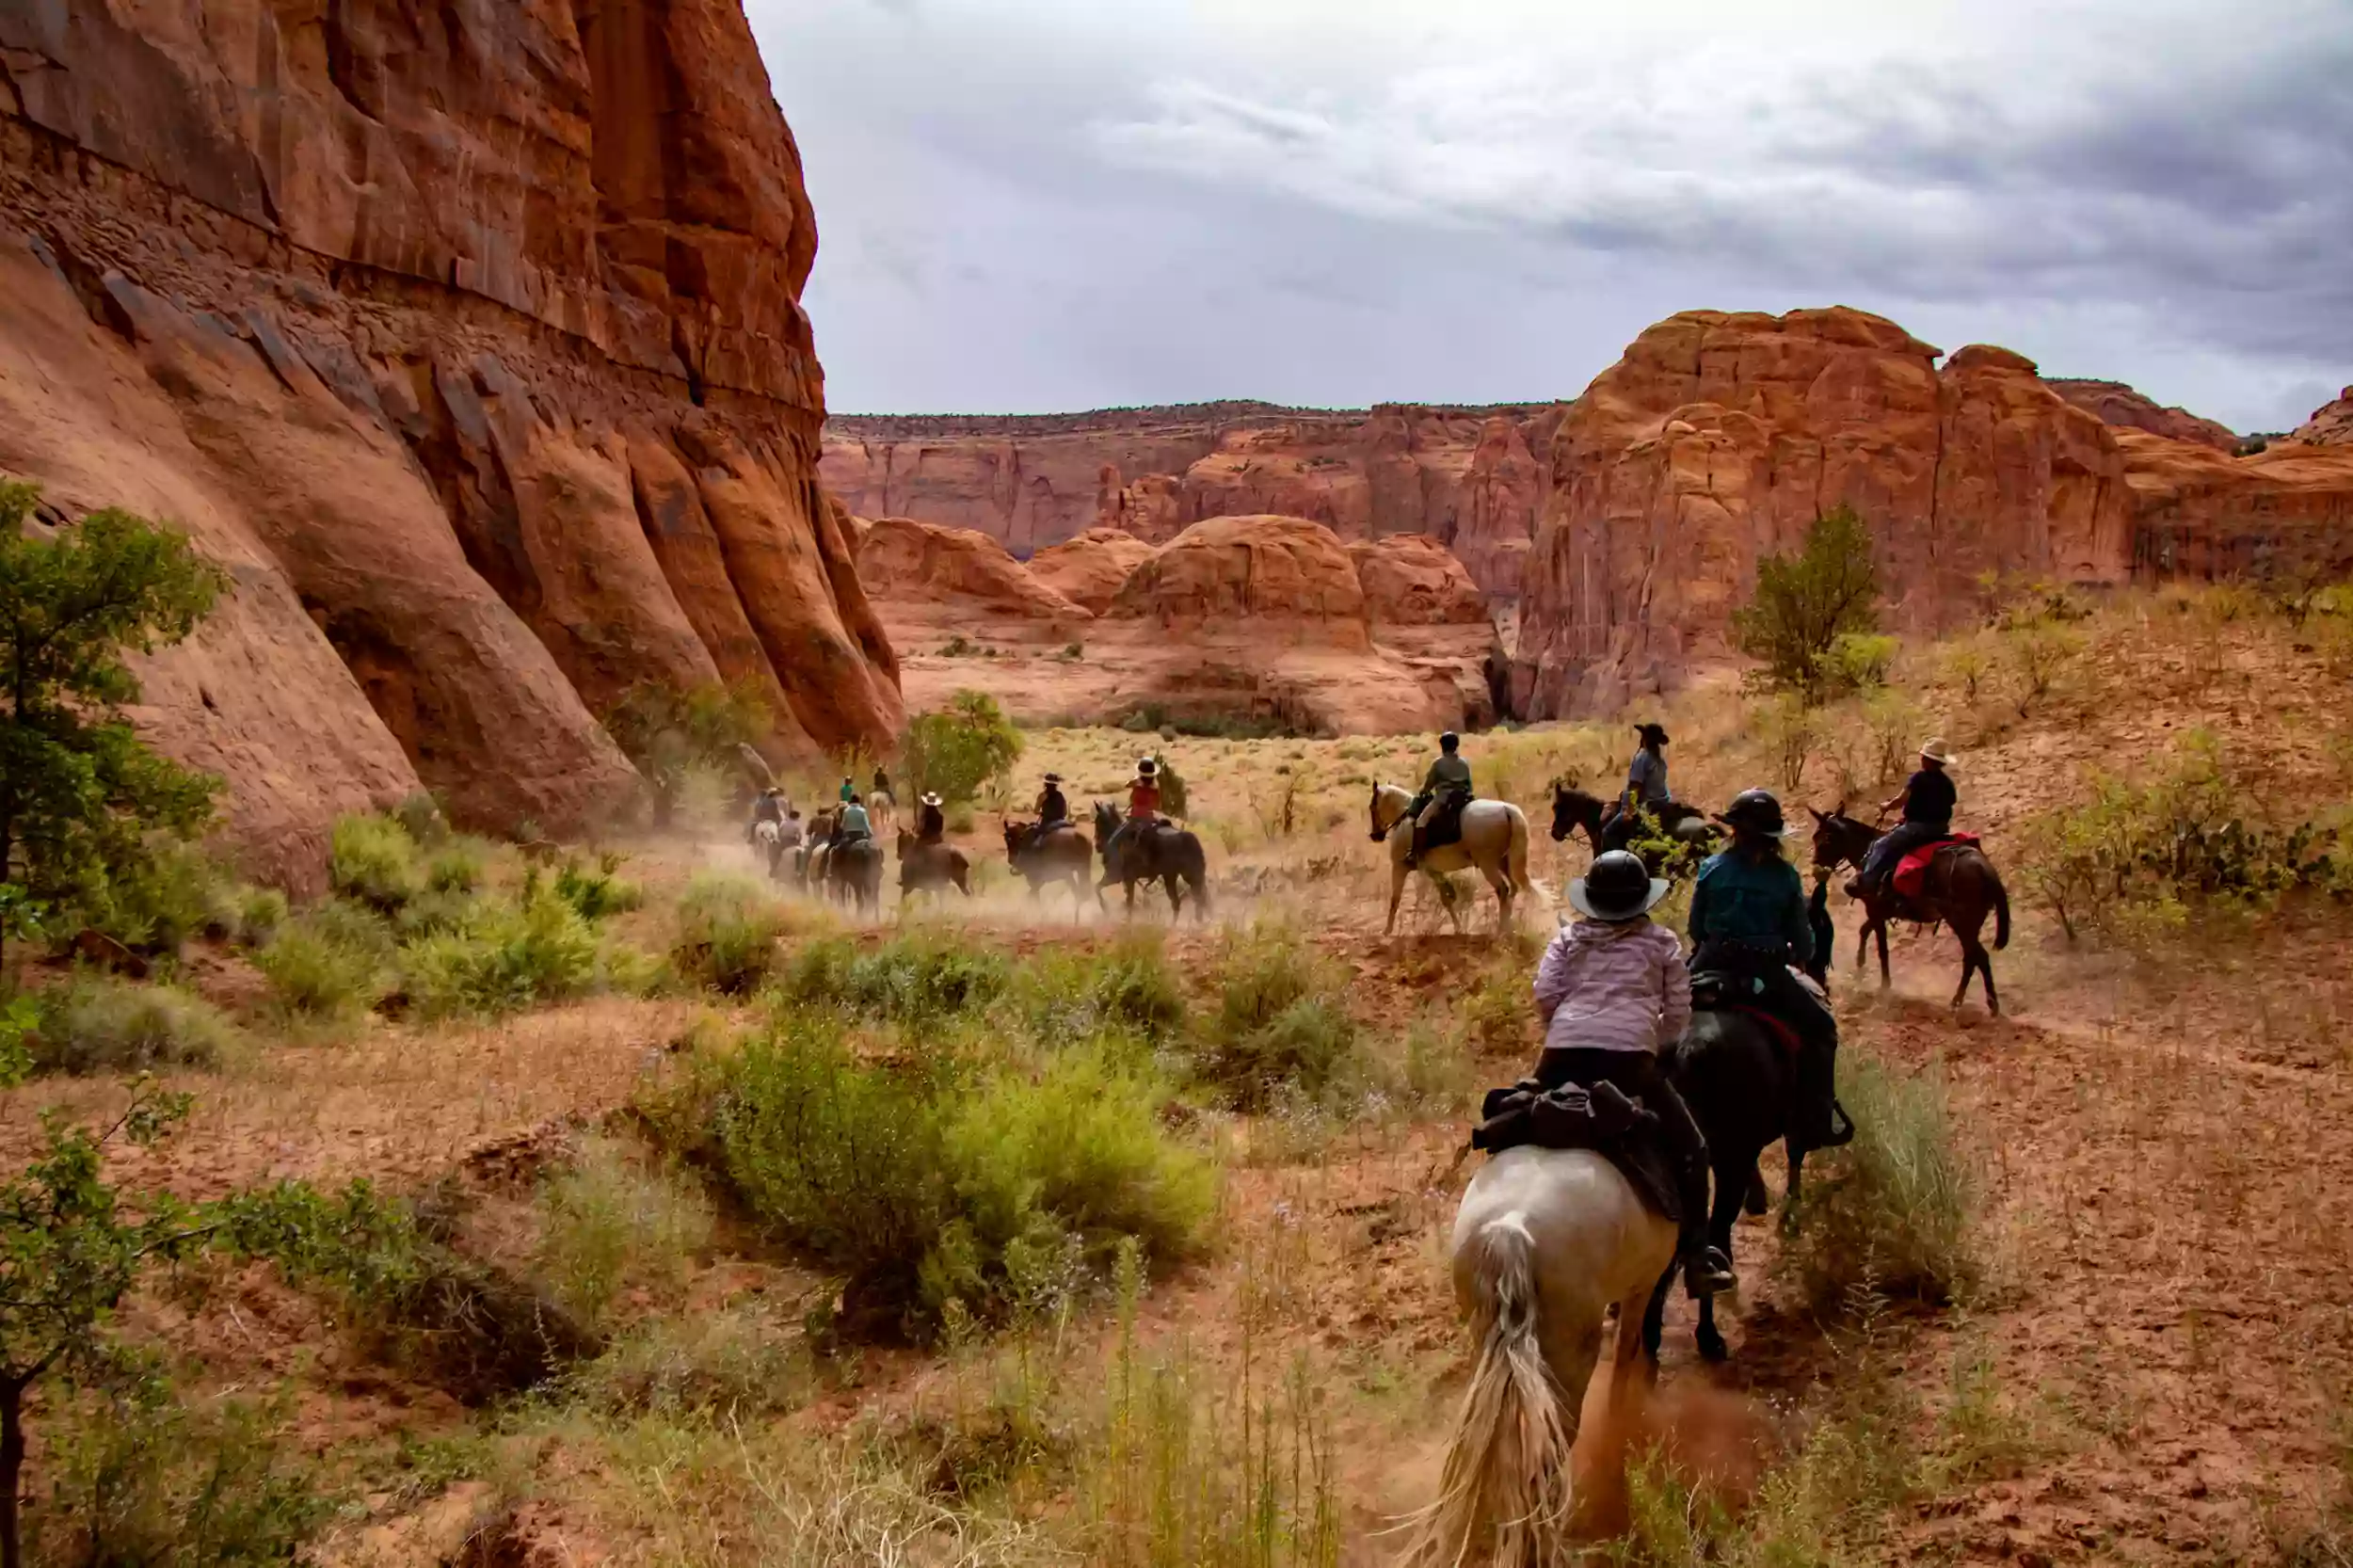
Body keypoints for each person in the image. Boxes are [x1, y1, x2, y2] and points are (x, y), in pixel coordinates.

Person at [1532, 850, 1737, 1298]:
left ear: (1591, 900)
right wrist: (1657, 1042)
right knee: (1694, 1148)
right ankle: (1699, 1258)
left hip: (1561, 1053)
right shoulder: (1661, 942)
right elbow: (1679, 1009)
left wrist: (1565, 1029)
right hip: (1627, 1059)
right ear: (1642, 899)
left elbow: (1545, 991)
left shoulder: (1567, 939)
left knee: (1520, 1117)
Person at [1688, 790, 1847, 1150]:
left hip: (1709, 963)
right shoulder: (1785, 877)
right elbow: (1803, 941)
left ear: (1734, 831)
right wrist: (1801, 954)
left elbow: (1696, 928)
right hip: (1767, 969)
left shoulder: (1710, 869)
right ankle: (1817, 1120)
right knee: (1823, 1030)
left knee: (1655, 1013)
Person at [1852, 739, 1960, 902]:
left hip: (1918, 828)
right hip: (1941, 829)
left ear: (1931, 761)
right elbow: (1951, 801)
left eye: (1925, 757)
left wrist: (1886, 806)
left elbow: (1901, 800)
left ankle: (1866, 883)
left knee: (1881, 845)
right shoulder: (1948, 783)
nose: (1922, 759)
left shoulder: (1918, 778)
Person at [1401, 731, 1474, 870]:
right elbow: (1469, 784)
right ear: (1456, 746)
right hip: (1464, 799)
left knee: (1421, 821)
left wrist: (1424, 792)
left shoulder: (1438, 763)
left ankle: (1416, 855)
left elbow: (1428, 785)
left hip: (1444, 799)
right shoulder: (1464, 763)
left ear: (1442, 746)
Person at [1599, 723, 1672, 854]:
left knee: (1608, 833)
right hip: (1662, 802)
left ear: (1644, 739)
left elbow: (1635, 787)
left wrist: (1629, 811)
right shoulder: (1660, 760)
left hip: (1647, 806)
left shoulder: (1642, 758)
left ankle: (1617, 867)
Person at [1104, 757, 1161, 867]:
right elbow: (1158, 806)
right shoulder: (1156, 789)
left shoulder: (1136, 785)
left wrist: (1137, 780)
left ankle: (1116, 869)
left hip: (1135, 819)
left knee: (1113, 843)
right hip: (1150, 819)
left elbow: (1126, 785)